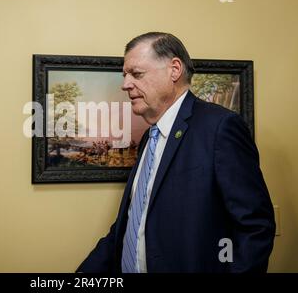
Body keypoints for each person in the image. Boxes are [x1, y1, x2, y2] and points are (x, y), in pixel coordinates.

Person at [77, 32, 275, 273]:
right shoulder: (149, 140)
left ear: (174, 69)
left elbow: (255, 227)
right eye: (125, 75)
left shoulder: (220, 128)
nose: (125, 84)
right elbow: (131, 224)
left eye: (136, 74)